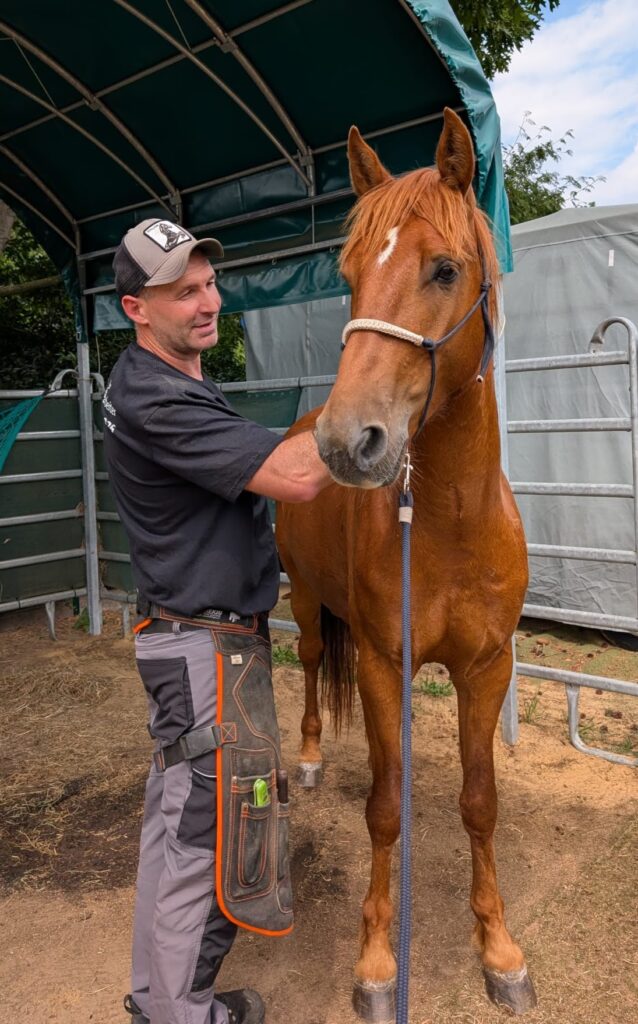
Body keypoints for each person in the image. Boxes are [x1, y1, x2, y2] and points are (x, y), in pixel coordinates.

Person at [103, 218, 332, 1024]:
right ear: (137, 307)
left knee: (175, 828)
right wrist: (381, 395)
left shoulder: (171, 382)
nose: (209, 302)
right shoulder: (156, 395)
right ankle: (182, 1015)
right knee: (209, 839)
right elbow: (294, 477)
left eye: (208, 283)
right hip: (207, 651)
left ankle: (156, 1000)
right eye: (183, 292)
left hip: (188, 639)